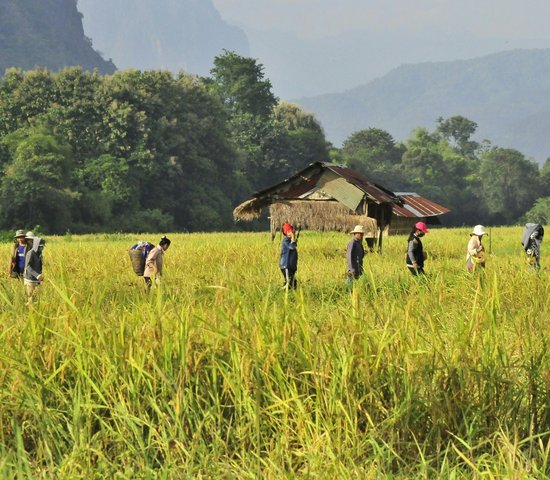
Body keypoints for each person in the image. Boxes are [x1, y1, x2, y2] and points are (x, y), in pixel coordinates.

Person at [23, 231, 45, 304]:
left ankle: (34, 312)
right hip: (30, 279)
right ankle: (29, 312)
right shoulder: (30, 253)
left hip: (37, 279)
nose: (41, 248)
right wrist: (37, 275)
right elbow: (28, 267)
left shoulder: (39, 254)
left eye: (42, 246)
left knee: (36, 299)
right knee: (30, 298)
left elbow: (40, 265)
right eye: (40, 246)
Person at [280, 223, 298, 289]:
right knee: (289, 283)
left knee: (294, 283)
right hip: (286, 266)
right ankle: (282, 290)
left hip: (291, 266)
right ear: (288, 232)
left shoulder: (290, 241)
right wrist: (293, 237)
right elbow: (292, 247)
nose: (293, 232)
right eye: (291, 231)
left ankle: (294, 296)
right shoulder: (286, 240)